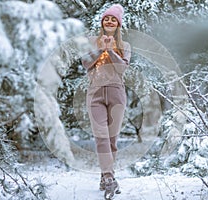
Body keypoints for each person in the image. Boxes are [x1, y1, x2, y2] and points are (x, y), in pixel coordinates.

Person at [81, 4, 131, 200]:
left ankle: (105, 176)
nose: (109, 21)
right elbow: (85, 63)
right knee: (101, 137)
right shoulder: (92, 41)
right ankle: (110, 178)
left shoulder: (125, 46)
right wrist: (101, 47)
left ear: (118, 24)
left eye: (113, 19)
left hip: (117, 94)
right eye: (106, 18)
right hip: (95, 95)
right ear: (102, 22)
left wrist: (110, 51)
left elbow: (122, 68)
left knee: (112, 141)